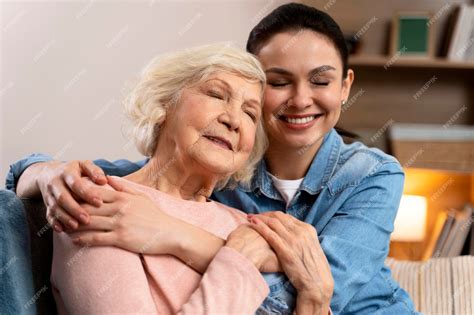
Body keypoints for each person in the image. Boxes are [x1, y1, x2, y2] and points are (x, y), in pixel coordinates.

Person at [6, 3, 418, 314]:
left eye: (321, 80)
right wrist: (48, 173)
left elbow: (327, 290)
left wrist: (172, 234)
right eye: (277, 82)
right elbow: (118, 177)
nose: (301, 99)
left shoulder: (371, 174)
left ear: (345, 87)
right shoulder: (146, 198)